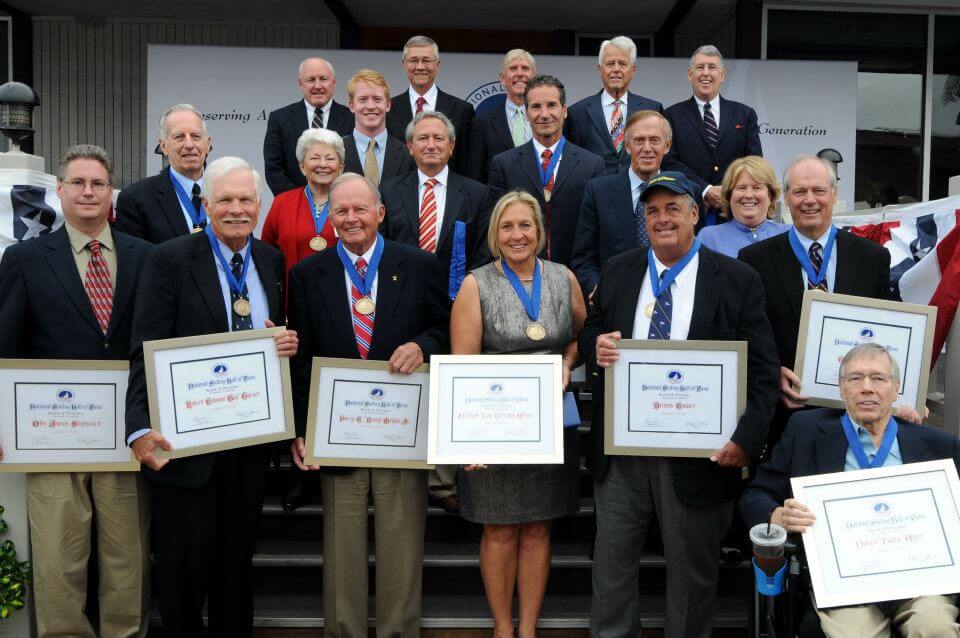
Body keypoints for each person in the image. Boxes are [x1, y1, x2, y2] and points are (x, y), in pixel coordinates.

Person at [579, 171, 780, 638]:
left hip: (700, 456)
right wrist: (597, 345)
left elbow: (764, 372)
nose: (662, 218)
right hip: (623, 452)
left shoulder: (736, 278)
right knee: (611, 573)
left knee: (691, 577)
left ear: (696, 214)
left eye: (673, 208)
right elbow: (593, 329)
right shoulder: (619, 269)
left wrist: (746, 442)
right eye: (652, 211)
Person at [125, 157, 298, 637]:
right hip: (186, 447)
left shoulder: (270, 259)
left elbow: (272, 337)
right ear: (205, 204)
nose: (237, 210)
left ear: (259, 206)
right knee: (183, 569)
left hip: (248, 444)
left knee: (236, 563)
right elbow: (144, 347)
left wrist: (283, 341)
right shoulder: (169, 259)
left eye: (246, 200)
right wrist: (138, 429)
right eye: (225, 200)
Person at [287, 172, 450, 638]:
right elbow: (302, 360)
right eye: (341, 210)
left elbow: (444, 330)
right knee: (342, 549)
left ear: (380, 213)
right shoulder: (305, 274)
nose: (351, 218)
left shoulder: (418, 264)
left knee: (401, 546)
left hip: (402, 433)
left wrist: (422, 346)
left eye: (361, 209)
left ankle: (399, 631)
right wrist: (302, 427)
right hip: (339, 434)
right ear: (329, 218)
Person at [0, 144, 152, 638]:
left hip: (125, 439)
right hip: (52, 442)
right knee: (58, 563)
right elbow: (4, 347)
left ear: (113, 194)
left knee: (126, 562)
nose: (89, 192)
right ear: (60, 191)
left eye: (99, 184)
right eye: (79, 183)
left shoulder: (146, 257)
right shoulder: (23, 260)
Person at [741, 342, 960, 637]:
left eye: (879, 379)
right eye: (855, 379)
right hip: (844, 583)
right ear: (841, 389)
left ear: (896, 389)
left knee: (935, 628)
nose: (867, 387)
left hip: (919, 581)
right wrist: (777, 516)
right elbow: (755, 495)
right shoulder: (805, 430)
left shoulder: (937, 444)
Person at [451, 189, 586, 638]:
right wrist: (468, 438)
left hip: (549, 426)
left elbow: (581, 335)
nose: (517, 235)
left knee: (538, 530)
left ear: (539, 231)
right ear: (495, 234)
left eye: (525, 225)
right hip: (495, 427)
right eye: (507, 226)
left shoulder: (563, 278)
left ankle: (528, 628)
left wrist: (568, 362)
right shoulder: (476, 284)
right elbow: (463, 366)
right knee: (500, 530)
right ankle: (502, 628)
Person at [739, 155, 893, 442]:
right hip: (786, 417)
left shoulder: (873, 258)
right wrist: (773, 374)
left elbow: (888, 331)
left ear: (834, 195)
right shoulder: (754, 260)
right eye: (799, 191)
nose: (809, 200)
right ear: (786, 197)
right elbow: (746, 334)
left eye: (818, 191)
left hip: (858, 414)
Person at [488, 75, 604, 268]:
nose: (544, 114)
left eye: (551, 105)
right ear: (526, 113)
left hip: (574, 276)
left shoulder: (592, 165)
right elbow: (495, 227)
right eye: (535, 107)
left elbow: (598, 231)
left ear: (564, 111)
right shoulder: (503, 164)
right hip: (519, 275)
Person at [571, 110, 671, 298]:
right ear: (626, 146)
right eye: (639, 140)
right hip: (614, 301)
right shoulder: (598, 191)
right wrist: (598, 290)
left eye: (655, 140)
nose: (647, 148)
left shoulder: (684, 192)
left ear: (667, 145)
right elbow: (583, 259)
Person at [664, 45, 762, 228]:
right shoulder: (671, 116)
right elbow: (669, 162)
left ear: (722, 74)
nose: (706, 73)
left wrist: (729, 192)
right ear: (689, 74)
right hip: (689, 213)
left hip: (735, 213)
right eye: (700, 67)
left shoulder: (744, 114)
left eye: (712, 67)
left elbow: (754, 162)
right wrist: (705, 190)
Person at [564, 36, 664, 175]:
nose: (616, 69)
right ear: (600, 70)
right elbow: (572, 161)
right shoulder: (577, 113)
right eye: (610, 64)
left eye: (622, 64)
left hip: (641, 191)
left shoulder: (652, 109)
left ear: (633, 70)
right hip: (595, 192)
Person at [115, 103, 212, 243]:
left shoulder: (226, 191)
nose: (189, 145)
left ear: (207, 144)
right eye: (179, 137)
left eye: (196, 136)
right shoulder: (136, 199)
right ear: (164, 146)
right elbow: (134, 259)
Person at [261, 128, 345, 290]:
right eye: (314, 158)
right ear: (302, 166)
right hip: (292, 298)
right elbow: (267, 254)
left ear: (340, 167)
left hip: (341, 296)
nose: (322, 164)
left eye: (330, 158)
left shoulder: (351, 203)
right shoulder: (282, 202)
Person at [386, 35, 476, 176]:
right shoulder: (388, 109)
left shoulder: (462, 110)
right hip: (398, 193)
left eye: (427, 60)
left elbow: (467, 165)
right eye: (414, 60)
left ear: (437, 65)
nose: (420, 67)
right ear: (404, 64)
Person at [263, 57, 353, 196]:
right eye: (311, 80)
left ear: (333, 81)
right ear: (301, 83)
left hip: (341, 205)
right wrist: (298, 201)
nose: (318, 86)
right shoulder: (280, 118)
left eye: (323, 79)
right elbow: (274, 168)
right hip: (294, 207)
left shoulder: (352, 118)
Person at [697, 156, 788, 258]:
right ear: (729, 195)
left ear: (770, 195)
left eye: (757, 187)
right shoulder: (709, 237)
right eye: (742, 188)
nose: (748, 195)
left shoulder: (789, 234)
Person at [468, 49, 536, 183]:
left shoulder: (546, 120)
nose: (520, 74)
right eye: (513, 69)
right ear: (503, 78)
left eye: (525, 68)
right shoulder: (482, 123)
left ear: (534, 77)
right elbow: (476, 175)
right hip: (500, 201)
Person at [342, 69, 415, 188]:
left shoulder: (407, 154)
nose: (370, 106)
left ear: (388, 105)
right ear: (351, 106)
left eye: (377, 99)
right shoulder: (336, 152)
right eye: (363, 99)